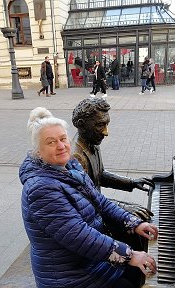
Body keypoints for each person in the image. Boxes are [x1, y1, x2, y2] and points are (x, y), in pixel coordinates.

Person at [20, 107, 158, 288]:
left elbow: (100, 201)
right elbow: (79, 236)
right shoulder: (41, 189)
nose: (61, 146)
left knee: (137, 273)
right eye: (51, 142)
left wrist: (134, 223)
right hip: (70, 278)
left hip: (90, 264)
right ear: (38, 152)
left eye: (63, 139)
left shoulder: (70, 166)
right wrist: (129, 255)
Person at [71, 98, 155, 220]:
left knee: (143, 214)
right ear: (81, 125)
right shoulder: (76, 157)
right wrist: (125, 207)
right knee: (141, 219)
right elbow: (87, 199)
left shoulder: (93, 142)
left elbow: (100, 175)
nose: (106, 132)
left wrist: (131, 182)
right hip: (90, 217)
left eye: (107, 124)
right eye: (100, 125)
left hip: (99, 206)